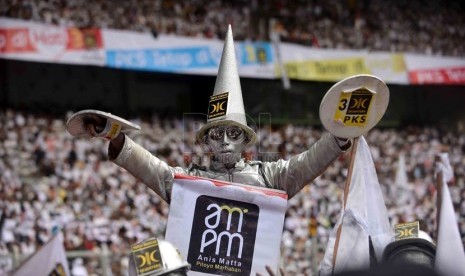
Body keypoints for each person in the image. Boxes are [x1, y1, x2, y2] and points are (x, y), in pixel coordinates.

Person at [67, 25, 351, 203]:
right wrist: (112, 134)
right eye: (216, 134)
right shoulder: (191, 180)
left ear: (245, 141)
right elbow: (152, 169)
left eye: (233, 133)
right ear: (207, 141)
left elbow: (307, 164)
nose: (225, 140)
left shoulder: (270, 176)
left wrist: (338, 136)